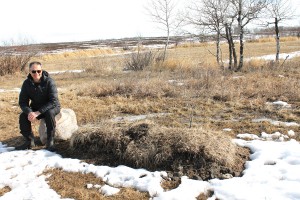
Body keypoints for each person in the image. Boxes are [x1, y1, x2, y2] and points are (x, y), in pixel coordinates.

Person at [16, 61, 61, 151]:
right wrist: (30, 112)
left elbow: (53, 101)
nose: (36, 73)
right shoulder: (26, 84)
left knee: (49, 113)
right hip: (36, 107)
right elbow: (22, 102)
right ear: (29, 72)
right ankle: (29, 142)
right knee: (23, 115)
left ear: (41, 70)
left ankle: (50, 141)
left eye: (38, 71)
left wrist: (38, 112)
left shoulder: (49, 81)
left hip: (52, 107)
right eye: (33, 71)